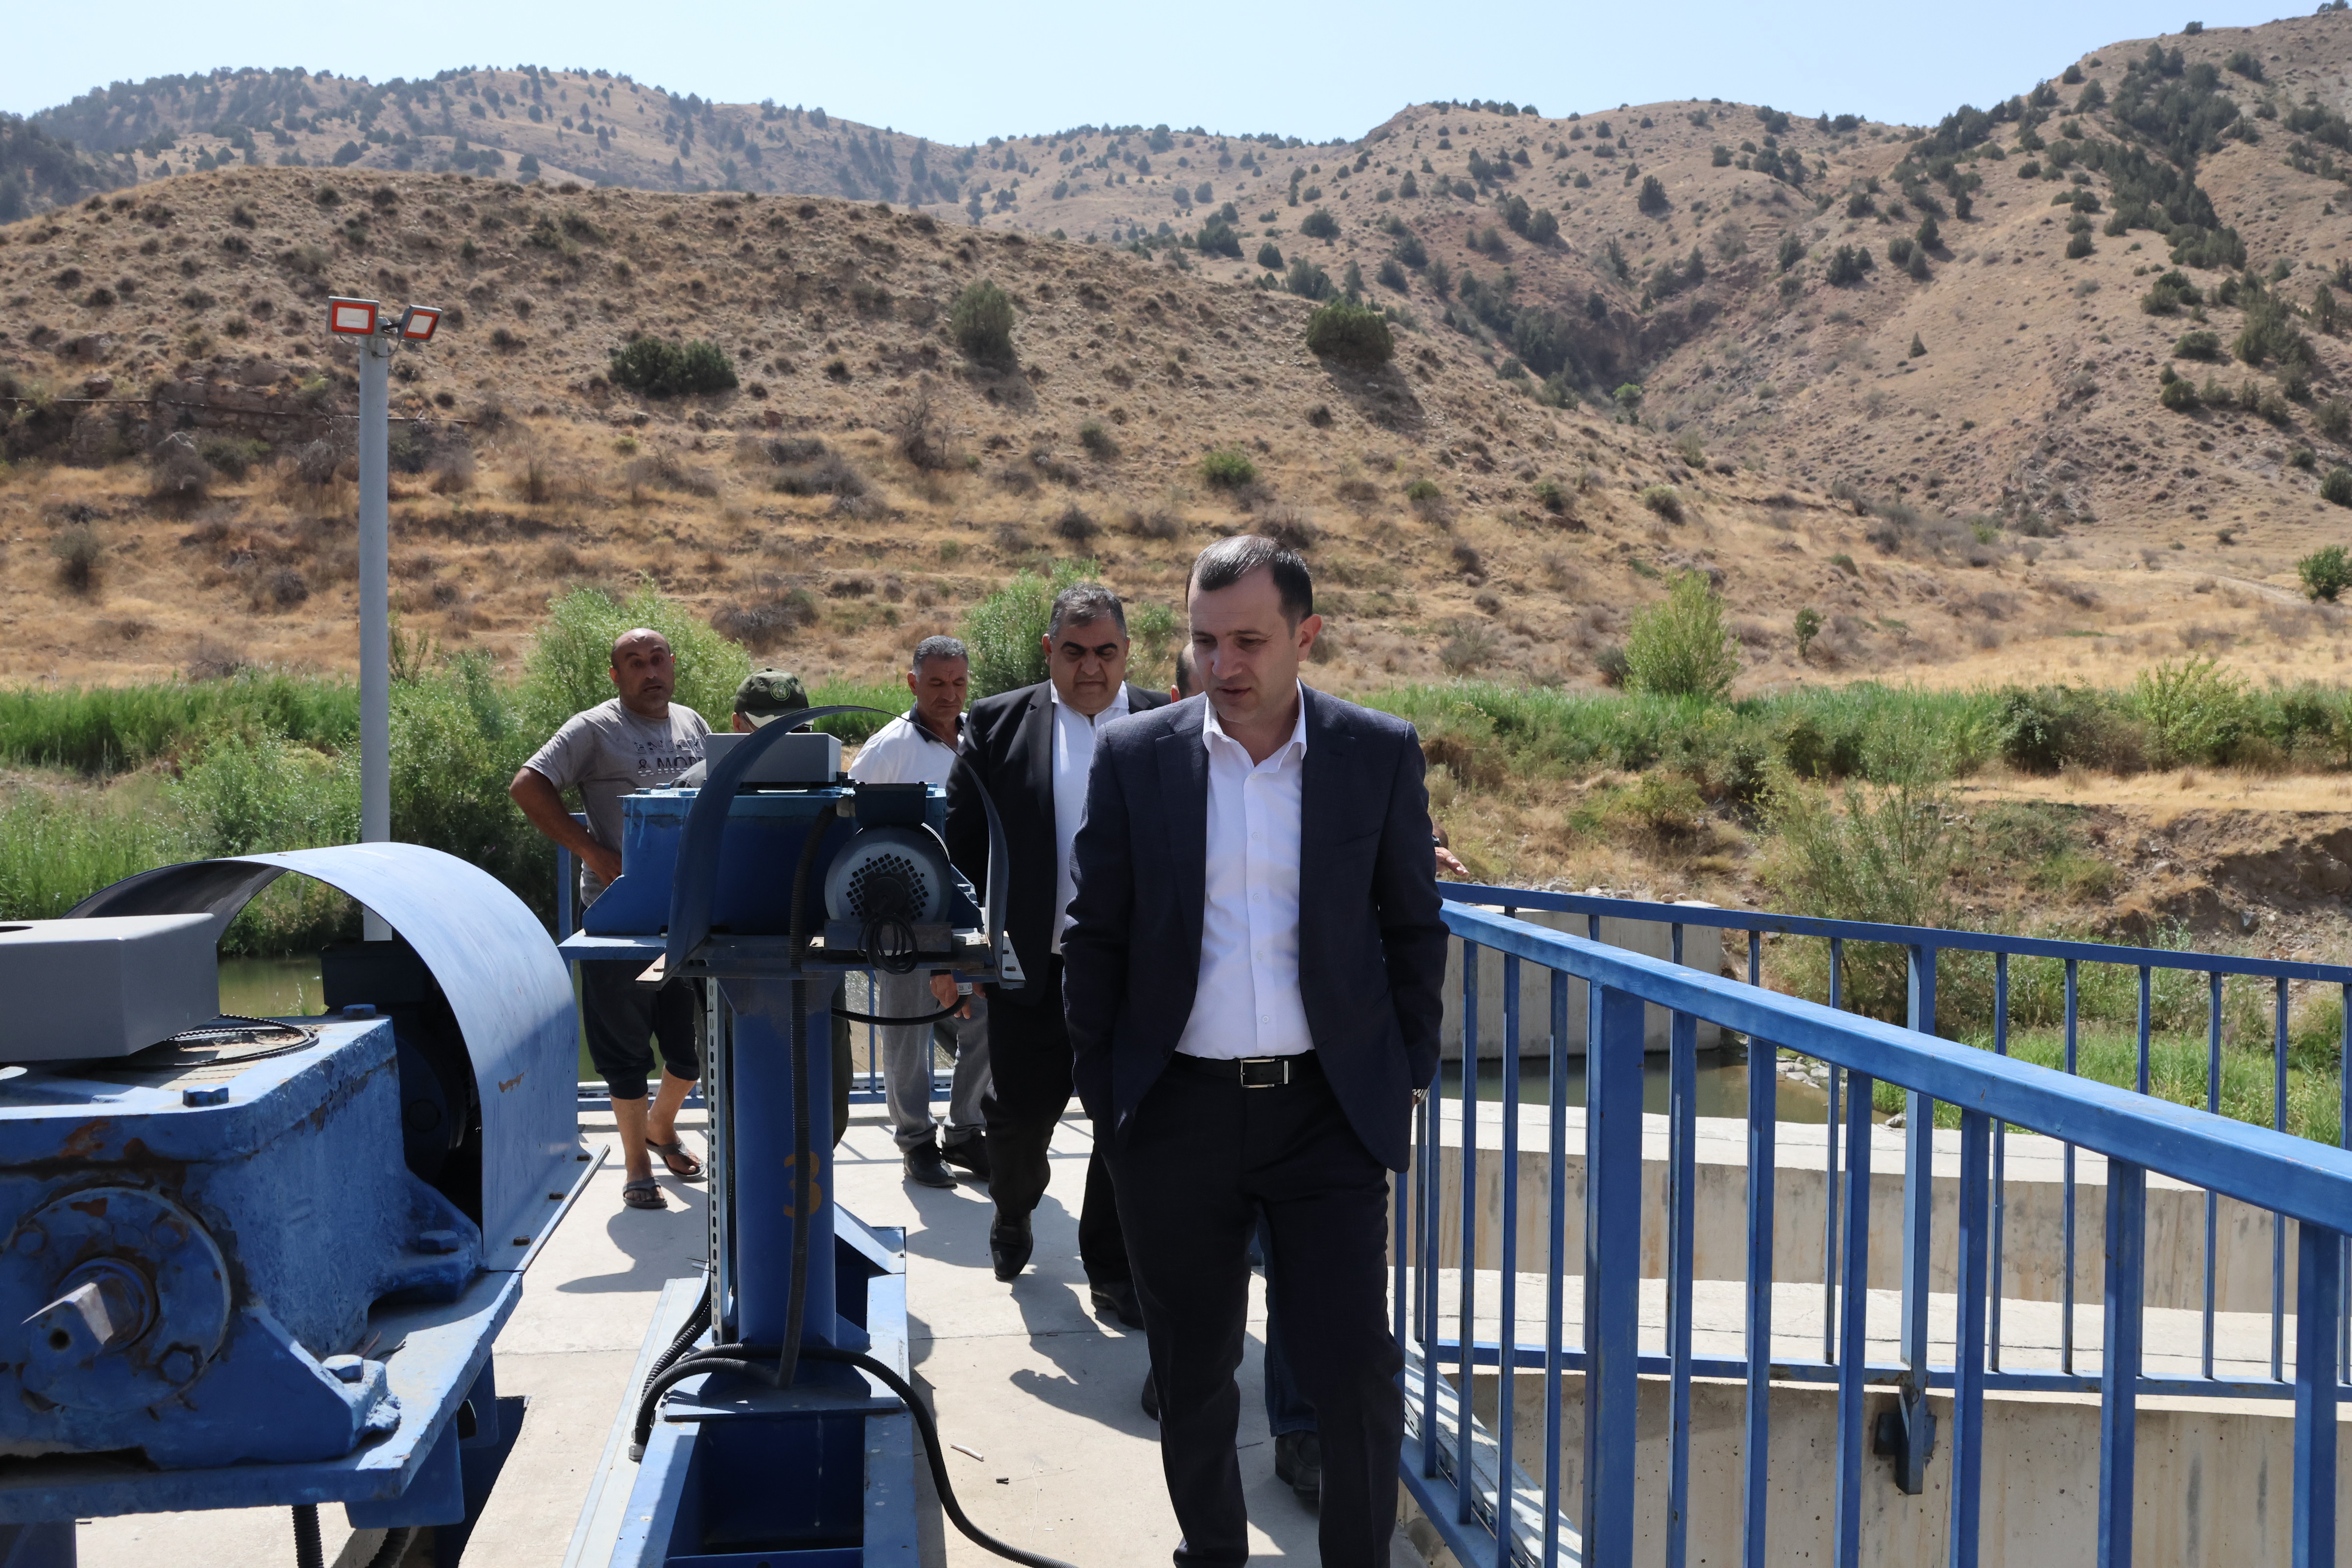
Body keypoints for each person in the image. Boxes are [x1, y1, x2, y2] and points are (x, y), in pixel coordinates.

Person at [1063, 537, 1447, 1567]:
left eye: (1248, 641)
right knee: (1193, 1373)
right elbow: (1094, 934)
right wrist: (1107, 1093)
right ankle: (1213, 1555)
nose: (1221, 663)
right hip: (1175, 1115)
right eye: (1204, 640)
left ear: (1305, 635)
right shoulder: (1136, 756)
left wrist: (1406, 1071)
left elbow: (1414, 927)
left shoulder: (1375, 752)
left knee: (1354, 1371)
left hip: (1326, 1116)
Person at [942, 583, 1168, 1328]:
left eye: (1106, 652)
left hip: (1136, 977)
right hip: (1033, 970)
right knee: (1020, 1118)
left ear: (1127, 652)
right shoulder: (998, 723)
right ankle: (1013, 1208)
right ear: (1049, 651)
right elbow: (960, 848)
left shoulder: (1169, 724)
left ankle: (1112, 1269)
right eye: (1074, 652)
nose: (1091, 668)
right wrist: (958, 955)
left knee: (1125, 1126)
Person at [511, 628, 712, 1213]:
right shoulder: (594, 728)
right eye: (635, 662)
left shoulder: (693, 723)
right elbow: (528, 785)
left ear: (672, 665)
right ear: (616, 674)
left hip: (687, 913)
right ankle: (637, 1164)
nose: (650, 671)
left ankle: (660, 1125)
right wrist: (594, 853)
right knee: (624, 1050)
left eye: (657, 660)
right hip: (618, 913)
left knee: (691, 1050)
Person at [847, 636, 992, 1189]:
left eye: (958, 682)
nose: (949, 694)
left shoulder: (982, 739)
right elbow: (853, 827)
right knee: (907, 1029)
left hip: (972, 908)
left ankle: (966, 1129)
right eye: (936, 683)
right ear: (912, 683)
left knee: (987, 1017)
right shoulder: (889, 748)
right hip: (905, 913)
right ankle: (915, 1140)